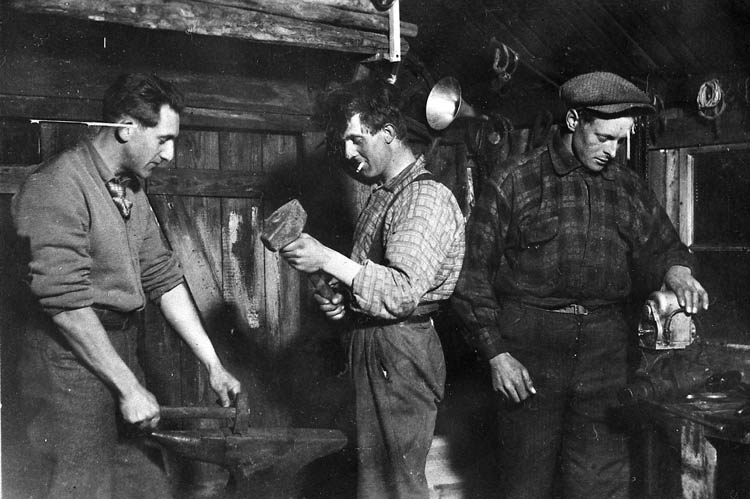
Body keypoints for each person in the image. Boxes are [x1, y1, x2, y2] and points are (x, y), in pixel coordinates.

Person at [451, 71, 709, 498]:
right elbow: (472, 276)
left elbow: (664, 246)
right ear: (573, 121)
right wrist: (496, 354)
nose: (612, 151)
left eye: (620, 140)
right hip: (531, 347)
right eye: (604, 138)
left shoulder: (627, 187)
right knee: (525, 485)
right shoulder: (515, 179)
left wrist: (677, 271)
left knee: (600, 484)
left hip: (606, 352)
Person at [12, 73, 241, 499]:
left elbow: (163, 277)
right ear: (125, 128)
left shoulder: (130, 189)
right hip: (68, 360)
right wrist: (129, 388)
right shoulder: (56, 186)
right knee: (82, 489)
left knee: (146, 484)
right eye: (163, 140)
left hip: (121, 349)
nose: (170, 155)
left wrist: (212, 364)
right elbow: (66, 305)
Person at [278, 78, 465, 499]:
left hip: (399, 353)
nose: (348, 152)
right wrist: (343, 303)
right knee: (372, 485)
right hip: (376, 347)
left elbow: (401, 292)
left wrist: (327, 258)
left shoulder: (424, 199)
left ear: (389, 133)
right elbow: (372, 280)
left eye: (356, 139)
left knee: (396, 488)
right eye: (344, 142)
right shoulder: (384, 196)